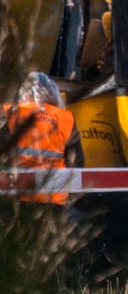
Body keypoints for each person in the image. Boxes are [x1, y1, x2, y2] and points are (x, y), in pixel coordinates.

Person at [1, 72, 84, 205]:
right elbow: (77, 161)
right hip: (54, 197)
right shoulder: (66, 119)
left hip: (17, 196)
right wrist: (71, 196)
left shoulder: (11, 113)